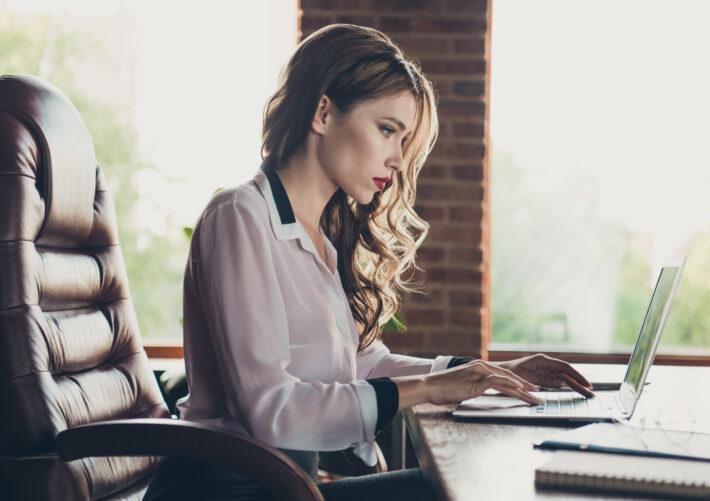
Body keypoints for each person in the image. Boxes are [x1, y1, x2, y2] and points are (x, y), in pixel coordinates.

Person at [143, 23, 594, 501]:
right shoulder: (240, 216)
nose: (399, 159)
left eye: (403, 141)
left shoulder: (319, 238)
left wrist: (478, 373)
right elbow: (271, 409)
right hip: (220, 490)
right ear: (323, 112)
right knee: (457, 491)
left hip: (284, 486)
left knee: (462, 486)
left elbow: (357, 364)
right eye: (387, 131)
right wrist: (429, 389)